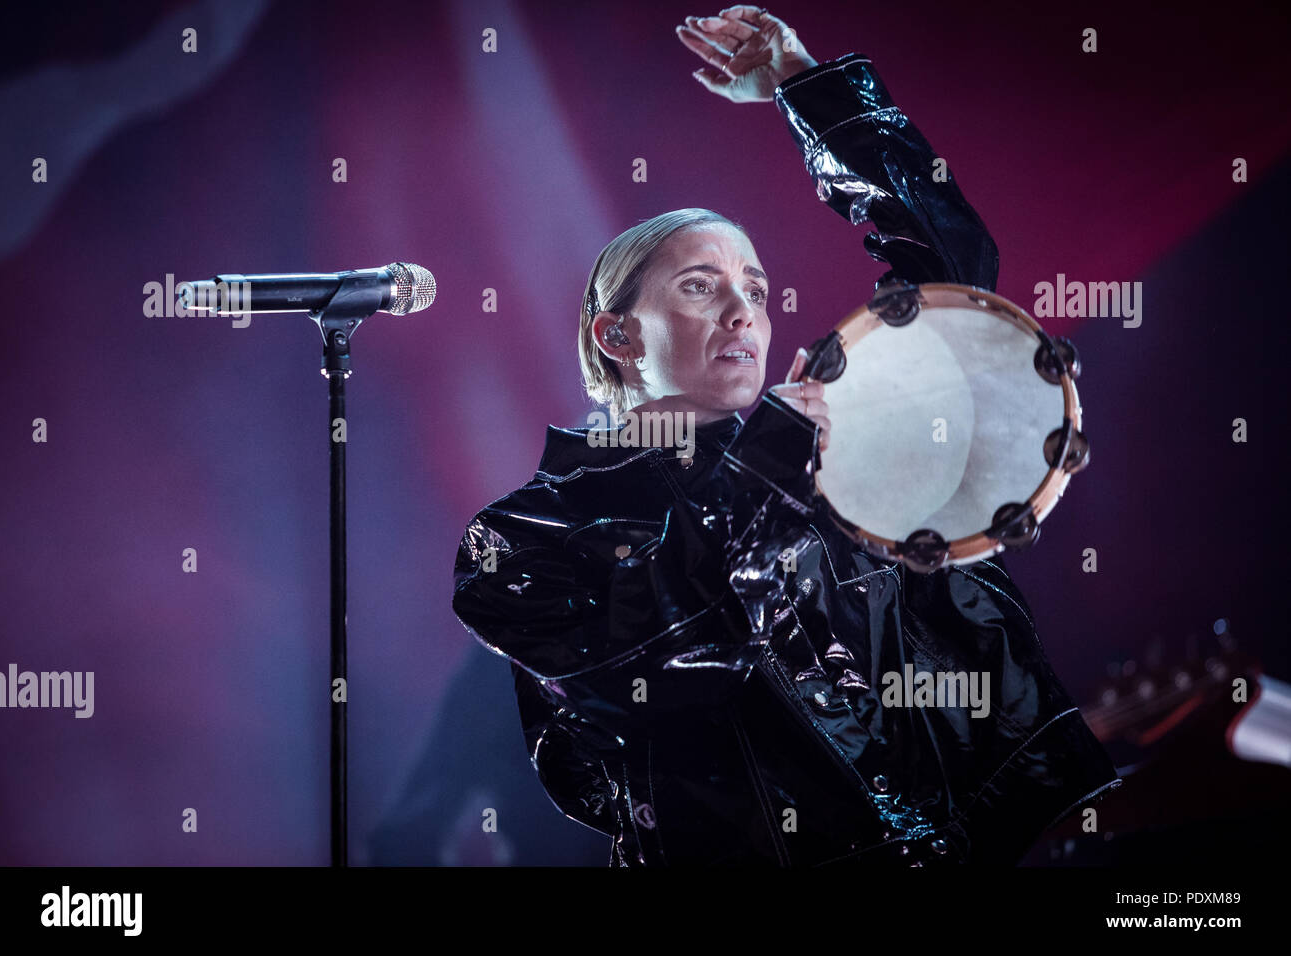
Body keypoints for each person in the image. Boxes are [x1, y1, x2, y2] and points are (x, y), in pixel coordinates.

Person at [452, 5, 1121, 866]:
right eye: (700, 286)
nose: (744, 311)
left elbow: (956, 288)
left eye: (758, 290)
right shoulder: (522, 537)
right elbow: (678, 641)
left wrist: (808, 87)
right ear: (617, 337)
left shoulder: (835, 453)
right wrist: (771, 458)